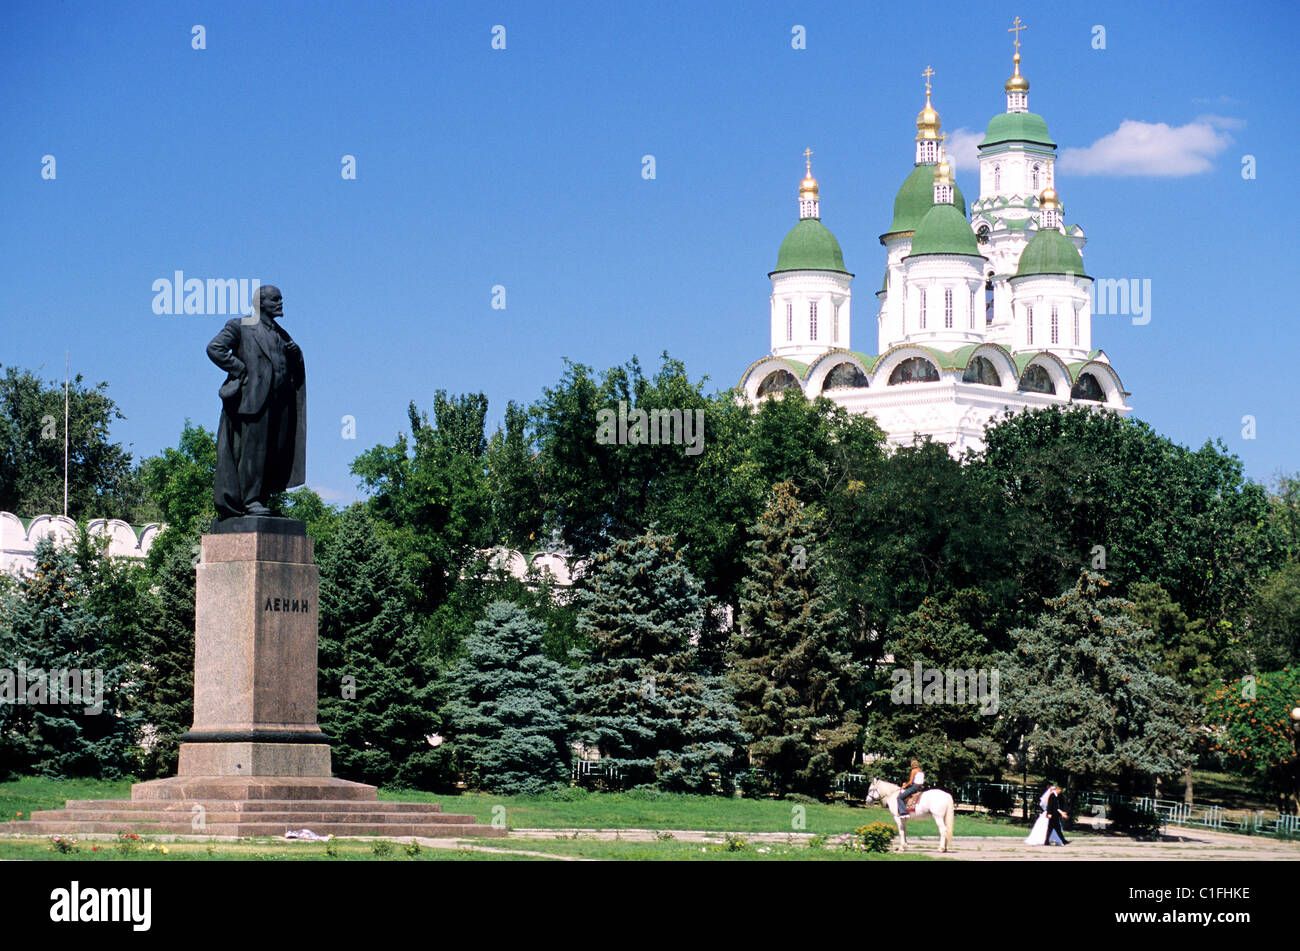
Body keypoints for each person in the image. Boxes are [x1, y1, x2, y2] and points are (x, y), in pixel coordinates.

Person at [207, 285, 306, 519]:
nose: (280, 303)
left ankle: (262, 498)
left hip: (280, 404)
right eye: (275, 299)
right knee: (253, 452)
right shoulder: (240, 326)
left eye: (281, 299)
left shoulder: (283, 335)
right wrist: (241, 370)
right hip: (253, 402)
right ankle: (249, 500)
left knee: (275, 452)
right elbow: (215, 348)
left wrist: (296, 354)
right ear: (260, 303)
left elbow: (291, 368)